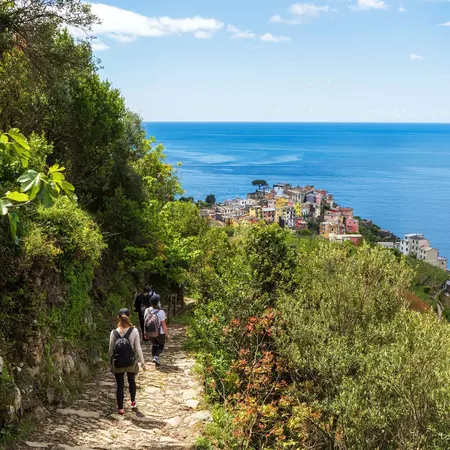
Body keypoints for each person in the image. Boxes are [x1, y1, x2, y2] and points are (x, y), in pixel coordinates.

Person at [109, 308, 145, 415]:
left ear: (118, 317)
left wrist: (110, 361)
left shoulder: (114, 332)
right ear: (129, 316)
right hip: (130, 361)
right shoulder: (134, 331)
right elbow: (138, 348)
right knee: (131, 380)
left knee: (120, 385)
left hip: (118, 362)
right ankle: (133, 402)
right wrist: (142, 362)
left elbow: (111, 350)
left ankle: (121, 408)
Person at [144, 295, 170, 365]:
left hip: (150, 332)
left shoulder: (147, 310)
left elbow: (145, 322)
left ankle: (155, 358)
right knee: (161, 345)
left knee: (154, 344)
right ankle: (156, 357)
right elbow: (164, 325)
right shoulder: (161, 312)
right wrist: (167, 334)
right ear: (158, 302)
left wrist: (145, 333)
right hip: (160, 332)